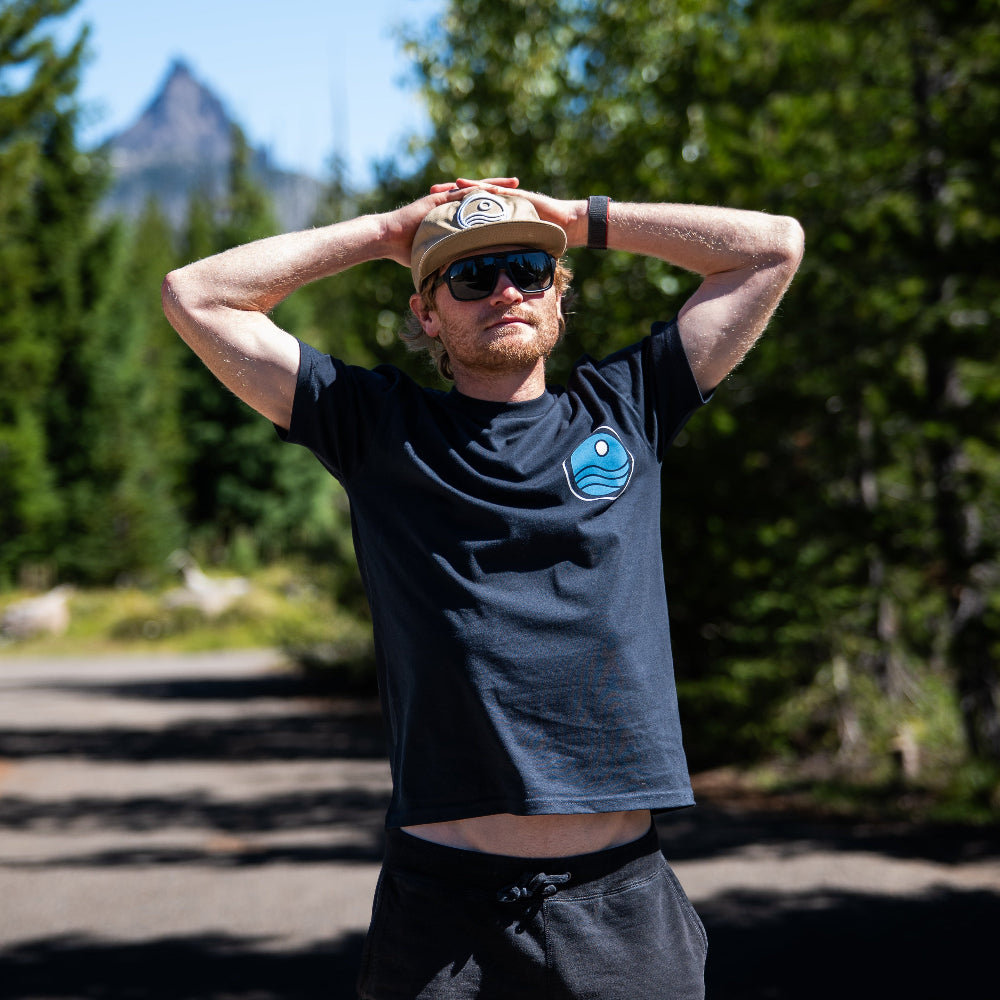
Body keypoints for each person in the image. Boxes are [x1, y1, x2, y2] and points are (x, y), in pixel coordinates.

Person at [162, 177, 804, 999]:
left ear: (557, 296)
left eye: (529, 271)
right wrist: (386, 231)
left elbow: (773, 247)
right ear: (427, 313)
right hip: (442, 920)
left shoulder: (630, 407)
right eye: (469, 276)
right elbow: (197, 294)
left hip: (621, 907)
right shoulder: (376, 430)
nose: (505, 291)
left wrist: (574, 219)